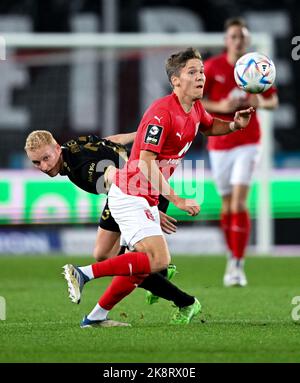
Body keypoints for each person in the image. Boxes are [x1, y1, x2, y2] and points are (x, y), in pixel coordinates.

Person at [60, 47, 255, 327]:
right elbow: (146, 162)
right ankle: (84, 273)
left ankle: (95, 316)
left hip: (144, 195)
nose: (201, 77)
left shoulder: (195, 108)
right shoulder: (161, 114)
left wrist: (235, 124)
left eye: (201, 71)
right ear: (175, 81)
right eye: (192, 72)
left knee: (143, 266)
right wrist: (177, 199)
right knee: (158, 259)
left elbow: (210, 127)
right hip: (130, 192)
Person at [25, 130, 199, 327]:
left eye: (46, 158)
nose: (44, 167)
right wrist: (139, 133)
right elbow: (111, 141)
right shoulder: (73, 144)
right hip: (128, 192)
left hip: (141, 192)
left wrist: (147, 207)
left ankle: (184, 301)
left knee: (139, 265)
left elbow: (115, 175)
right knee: (105, 254)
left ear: (57, 148)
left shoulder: (82, 167)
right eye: (37, 162)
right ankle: (161, 277)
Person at [202, 17, 279, 287]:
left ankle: (237, 263)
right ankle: (231, 253)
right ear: (226, 40)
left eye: (242, 37)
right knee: (225, 205)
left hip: (249, 141)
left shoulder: (258, 67)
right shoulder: (213, 67)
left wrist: (259, 97)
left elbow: (273, 102)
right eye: (234, 36)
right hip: (220, 141)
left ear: (247, 40)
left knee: (238, 203)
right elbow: (199, 100)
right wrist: (222, 104)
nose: (238, 40)